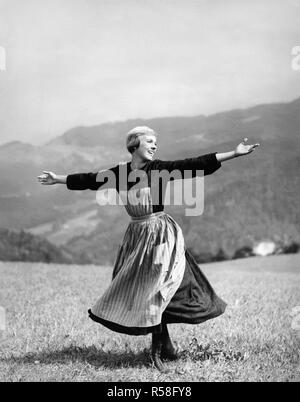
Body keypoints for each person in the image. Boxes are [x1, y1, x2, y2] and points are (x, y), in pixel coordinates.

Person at [38, 126, 260, 371]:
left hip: (160, 234)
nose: (154, 146)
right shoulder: (119, 173)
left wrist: (235, 153)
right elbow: (89, 179)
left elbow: (194, 164)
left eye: (155, 142)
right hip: (136, 236)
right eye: (150, 142)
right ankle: (167, 347)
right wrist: (57, 178)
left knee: (158, 289)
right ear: (134, 145)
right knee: (141, 291)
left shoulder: (160, 169)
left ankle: (157, 353)